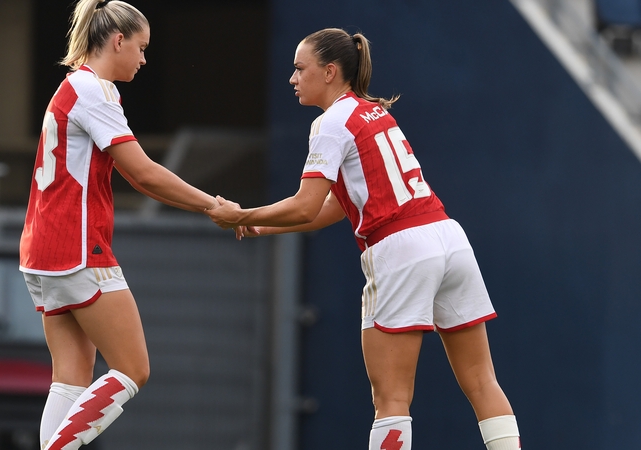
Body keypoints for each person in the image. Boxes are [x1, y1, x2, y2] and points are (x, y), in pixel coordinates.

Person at [207, 28, 521, 450]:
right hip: (449, 238)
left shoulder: (331, 122)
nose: (292, 78)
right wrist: (266, 225)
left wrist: (240, 214)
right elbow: (337, 206)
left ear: (330, 71)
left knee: (390, 398)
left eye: (300, 68)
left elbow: (304, 204)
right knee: (483, 382)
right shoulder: (373, 111)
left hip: (401, 249)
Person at [18, 1, 222, 448]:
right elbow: (144, 173)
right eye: (142, 47)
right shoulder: (96, 90)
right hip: (77, 247)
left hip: (41, 248)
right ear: (118, 41)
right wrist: (214, 206)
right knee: (133, 368)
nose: (144, 59)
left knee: (70, 380)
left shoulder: (71, 86)